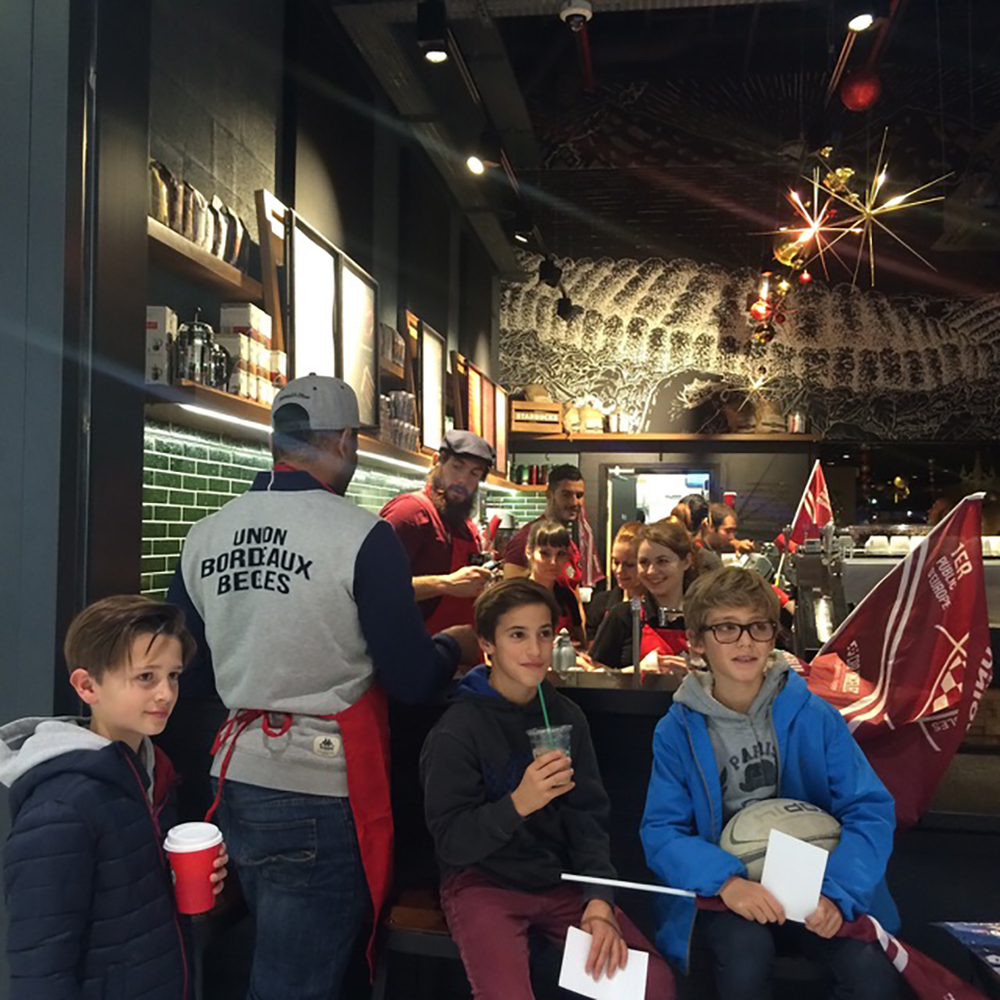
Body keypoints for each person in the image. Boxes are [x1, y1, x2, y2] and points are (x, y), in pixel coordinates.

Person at [166, 375, 476, 1000]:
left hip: (232, 780)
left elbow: (190, 671)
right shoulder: (361, 535)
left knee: (262, 961)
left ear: (276, 440)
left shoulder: (205, 533)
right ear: (342, 441)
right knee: (299, 981)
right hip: (318, 788)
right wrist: (456, 645)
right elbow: (411, 678)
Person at [641, 567, 900, 1000]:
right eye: (727, 628)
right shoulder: (677, 731)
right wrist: (727, 883)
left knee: (868, 971)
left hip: (820, 884)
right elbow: (662, 831)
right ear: (697, 641)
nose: (745, 642)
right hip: (729, 888)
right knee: (744, 956)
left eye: (758, 627)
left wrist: (837, 893)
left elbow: (869, 810)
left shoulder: (815, 716)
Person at [420, 579, 676, 1000]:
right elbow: (452, 843)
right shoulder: (458, 730)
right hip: (484, 883)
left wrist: (598, 899)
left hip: (561, 883)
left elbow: (588, 818)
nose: (535, 650)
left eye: (544, 634)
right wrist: (519, 803)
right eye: (517, 635)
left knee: (653, 985)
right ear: (487, 643)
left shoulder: (565, 716)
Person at [1, 595, 228, 1000]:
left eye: (173, 675)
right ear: (87, 685)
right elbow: (40, 966)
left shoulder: (150, 771)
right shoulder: (60, 808)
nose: (166, 693)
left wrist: (179, 877)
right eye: (146, 677)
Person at [380, 430, 495, 632]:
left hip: (457, 649)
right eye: (457, 467)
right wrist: (446, 584)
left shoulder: (466, 526)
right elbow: (376, 587)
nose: (462, 480)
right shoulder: (409, 513)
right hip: (412, 647)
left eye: (474, 474)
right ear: (436, 461)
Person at [590, 519, 699, 672]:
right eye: (644, 562)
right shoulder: (623, 616)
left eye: (662, 561)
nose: (651, 571)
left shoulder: (704, 618)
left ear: (686, 561)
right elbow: (596, 675)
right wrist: (637, 670)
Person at [502, 464, 585, 584]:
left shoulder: (566, 541)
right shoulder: (526, 538)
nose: (574, 502)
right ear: (549, 495)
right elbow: (511, 591)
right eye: (566, 495)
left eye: (579, 496)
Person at [526, 518, 586, 646]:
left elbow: (580, 642)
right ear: (529, 552)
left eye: (561, 554)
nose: (553, 562)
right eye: (545, 553)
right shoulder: (514, 597)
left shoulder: (567, 596)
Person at [585, 521, 643, 642]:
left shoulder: (656, 607)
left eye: (629, 565)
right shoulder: (601, 603)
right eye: (616, 562)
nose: (619, 570)